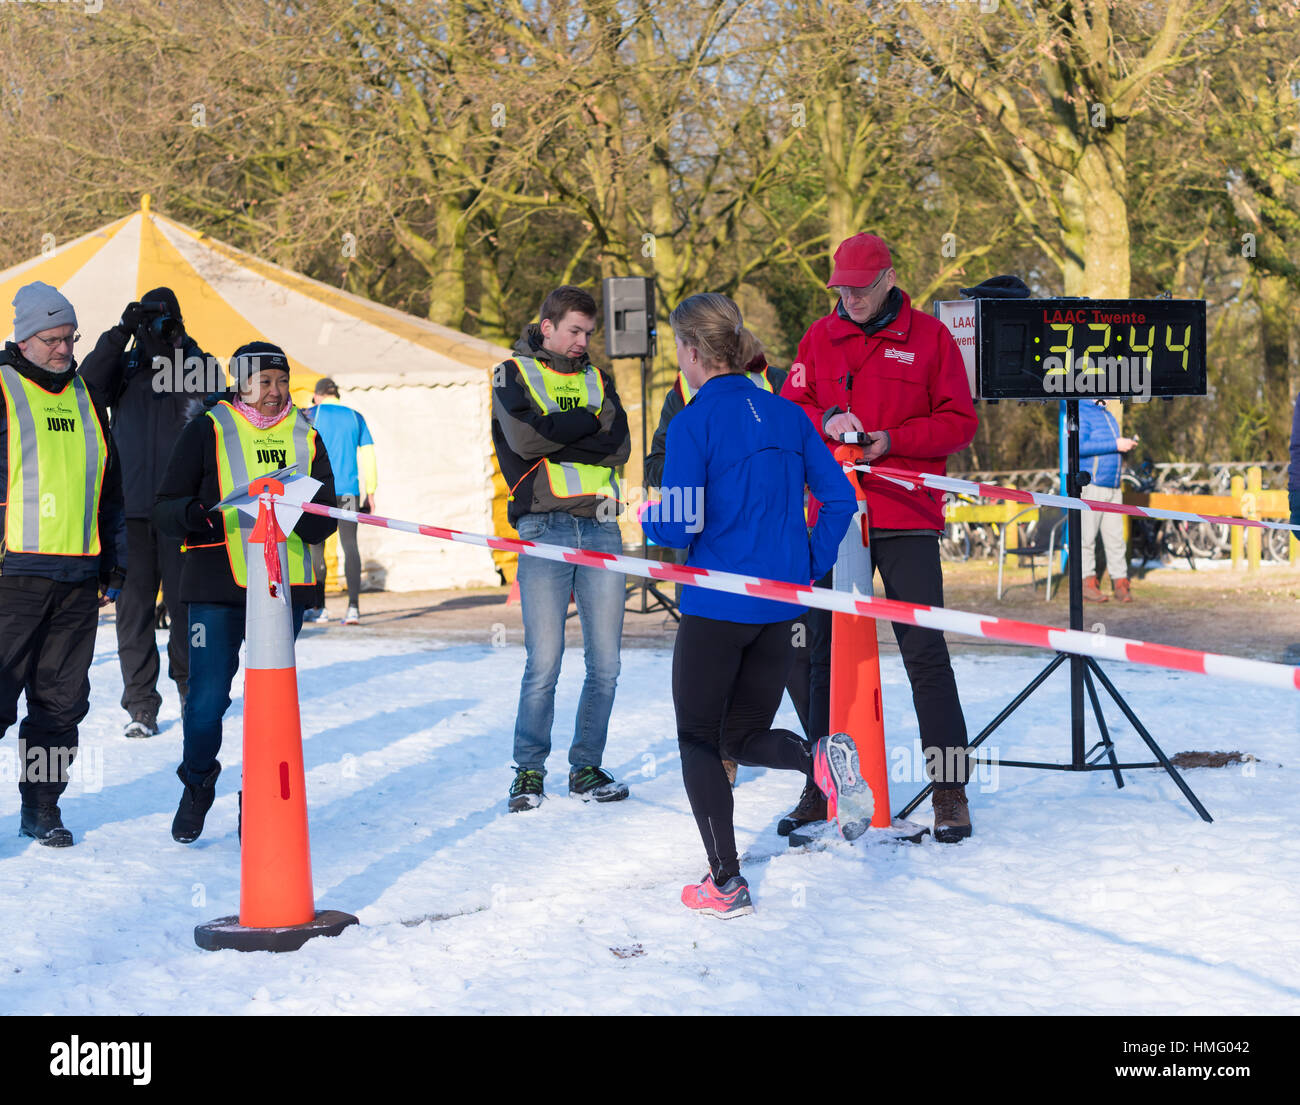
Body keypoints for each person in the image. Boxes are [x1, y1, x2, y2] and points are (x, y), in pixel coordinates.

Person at [640, 293, 859, 917]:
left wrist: (649, 514)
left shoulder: (691, 422)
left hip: (715, 607)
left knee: (699, 740)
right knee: (743, 734)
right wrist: (808, 564)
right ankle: (816, 755)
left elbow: (680, 528)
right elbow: (840, 500)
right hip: (781, 608)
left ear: (692, 352)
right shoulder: (789, 416)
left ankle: (726, 882)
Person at [782, 232, 980, 843]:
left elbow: (959, 421)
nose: (852, 298)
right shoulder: (819, 337)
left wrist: (891, 440)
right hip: (834, 516)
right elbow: (792, 408)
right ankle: (822, 786)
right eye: (842, 288)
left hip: (905, 513)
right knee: (822, 656)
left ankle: (950, 790)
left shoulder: (930, 339)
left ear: (890, 277)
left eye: (862, 288)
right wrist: (825, 419)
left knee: (924, 654)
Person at [153, 342, 337, 843]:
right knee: (208, 700)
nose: (276, 392)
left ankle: (254, 798)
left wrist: (310, 510)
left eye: (282, 381)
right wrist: (199, 512)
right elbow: (166, 506)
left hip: (284, 587)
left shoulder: (308, 433)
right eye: (264, 381)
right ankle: (197, 783)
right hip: (217, 583)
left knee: (268, 703)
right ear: (240, 384)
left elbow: (327, 520)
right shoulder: (207, 427)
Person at [645, 340, 813, 789]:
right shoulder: (682, 391)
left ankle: (820, 766)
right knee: (717, 684)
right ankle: (727, 763)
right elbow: (656, 460)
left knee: (799, 674)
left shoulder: (780, 383)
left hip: (777, 565)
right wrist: (688, 477)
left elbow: (815, 447)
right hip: (716, 561)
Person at [491, 285, 632, 812]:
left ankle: (586, 768)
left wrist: (562, 432)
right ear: (546, 326)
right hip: (543, 527)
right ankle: (529, 772)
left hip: (601, 525)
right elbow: (526, 442)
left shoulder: (599, 377)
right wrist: (588, 426)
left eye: (588, 333)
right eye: (574, 330)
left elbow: (620, 446)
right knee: (543, 661)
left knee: (607, 665)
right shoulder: (511, 373)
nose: (582, 341)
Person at [0, 282, 127, 846]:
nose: (63, 348)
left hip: (78, 577)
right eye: (52, 339)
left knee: (61, 706)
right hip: (11, 578)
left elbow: (111, 487)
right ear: (24, 339)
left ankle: (42, 808)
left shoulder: (85, 395)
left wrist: (115, 561)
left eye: (69, 338)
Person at [81, 288, 215, 737]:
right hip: (132, 512)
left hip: (181, 510)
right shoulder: (126, 363)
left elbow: (222, 405)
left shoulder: (195, 363)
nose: (161, 328)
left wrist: (184, 348)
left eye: (168, 320)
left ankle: (188, 689)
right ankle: (141, 705)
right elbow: (87, 386)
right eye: (153, 321)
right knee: (133, 613)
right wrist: (120, 333)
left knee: (186, 606)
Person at [304, 377, 378, 626]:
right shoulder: (355, 416)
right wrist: (371, 492)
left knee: (317, 545)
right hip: (348, 492)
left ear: (317, 395)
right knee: (350, 545)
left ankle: (320, 608)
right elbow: (369, 456)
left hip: (319, 492)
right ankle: (353, 608)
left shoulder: (309, 414)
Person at [1078, 399, 1137, 602]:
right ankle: (1087, 583)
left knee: (1115, 539)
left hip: (1112, 485)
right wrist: (1116, 444)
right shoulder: (1081, 410)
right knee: (1086, 538)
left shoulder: (1107, 414)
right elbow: (1079, 446)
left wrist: (1123, 446)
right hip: (1092, 485)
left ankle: (1120, 583)